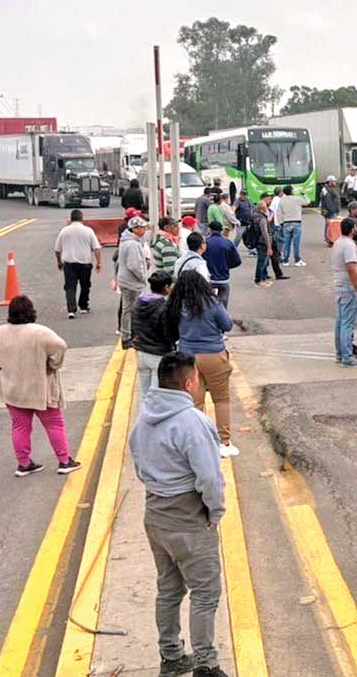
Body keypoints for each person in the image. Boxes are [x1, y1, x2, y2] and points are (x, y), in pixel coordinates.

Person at [128, 351, 227, 677]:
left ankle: (171, 658)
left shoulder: (145, 417)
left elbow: (139, 464)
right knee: (205, 592)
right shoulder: (192, 422)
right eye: (197, 379)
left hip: (155, 512)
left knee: (169, 589)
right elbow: (209, 478)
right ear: (189, 383)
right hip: (187, 517)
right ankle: (206, 665)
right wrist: (214, 511)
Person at [0, 295, 82, 477]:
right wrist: (53, 364)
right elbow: (60, 347)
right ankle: (64, 461)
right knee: (54, 424)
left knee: (20, 426)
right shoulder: (41, 332)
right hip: (41, 389)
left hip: (13, 389)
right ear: (31, 312)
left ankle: (24, 463)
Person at [168, 271, 237, 457]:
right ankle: (224, 442)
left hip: (187, 357)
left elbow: (171, 328)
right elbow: (227, 324)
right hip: (214, 355)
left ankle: (197, 441)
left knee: (194, 402)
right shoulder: (212, 303)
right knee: (221, 399)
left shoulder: (176, 305)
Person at [331, 217, 357, 366]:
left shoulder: (340, 242)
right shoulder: (348, 245)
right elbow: (351, 268)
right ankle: (347, 356)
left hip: (341, 286)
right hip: (349, 288)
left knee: (341, 322)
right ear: (352, 229)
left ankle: (341, 353)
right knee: (347, 323)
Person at [133, 271, 177, 395]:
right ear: (166, 287)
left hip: (141, 351)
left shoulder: (139, 302)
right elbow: (169, 334)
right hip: (158, 354)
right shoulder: (164, 307)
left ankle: (144, 414)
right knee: (157, 396)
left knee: (145, 395)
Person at [54, 209, 102, 319]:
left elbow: (57, 249)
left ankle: (71, 309)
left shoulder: (64, 231)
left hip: (69, 263)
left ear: (71, 219)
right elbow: (96, 248)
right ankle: (83, 306)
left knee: (70, 286)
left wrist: (59, 262)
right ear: (82, 218)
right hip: (85, 263)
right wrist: (99, 262)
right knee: (85, 285)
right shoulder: (88, 230)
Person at [117, 217, 152, 346]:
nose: (144, 230)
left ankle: (127, 335)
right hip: (132, 282)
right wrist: (143, 277)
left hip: (127, 280)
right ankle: (129, 336)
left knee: (128, 309)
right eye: (142, 228)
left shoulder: (127, 241)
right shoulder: (132, 244)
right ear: (135, 229)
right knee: (132, 309)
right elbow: (134, 265)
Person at [204, 223, 242, 311]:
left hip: (208, 278)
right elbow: (237, 261)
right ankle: (222, 318)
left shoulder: (205, 243)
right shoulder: (228, 243)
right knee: (223, 305)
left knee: (207, 304)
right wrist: (226, 266)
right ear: (221, 230)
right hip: (223, 279)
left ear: (210, 229)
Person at [278, 184, 306, 266]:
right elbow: (307, 201)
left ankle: (286, 260)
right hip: (296, 222)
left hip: (286, 223)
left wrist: (281, 223)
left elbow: (279, 213)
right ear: (291, 191)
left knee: (286, 242)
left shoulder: (282, 200)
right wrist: (303, 194)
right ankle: (297, 260)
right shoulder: (297, 199)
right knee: (296, 243)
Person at [249, 199, 273, 286]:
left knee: (264, 261)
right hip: (263, 242)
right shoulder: (262, 219)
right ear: (263, 209)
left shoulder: (254, 216)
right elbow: (265, 233)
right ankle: (259, 280)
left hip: (257, 241)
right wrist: (269, 246)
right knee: (262, 261)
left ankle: (263, 278)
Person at [320, 178, 341, 242]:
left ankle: (328, 238)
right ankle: (329, 238)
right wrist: (333, 210)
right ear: (330, 182)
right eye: (333, 181)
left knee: (329, 225)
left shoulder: (330, 189)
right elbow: (328, 201)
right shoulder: (326, 190)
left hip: (331, 210)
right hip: (329, 211)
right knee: (330, 225)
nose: (335, 182)